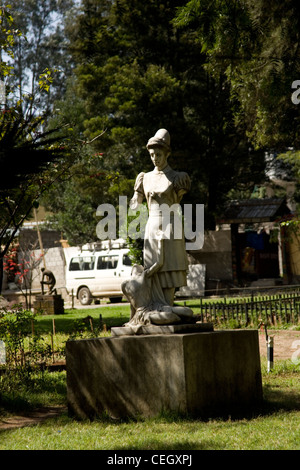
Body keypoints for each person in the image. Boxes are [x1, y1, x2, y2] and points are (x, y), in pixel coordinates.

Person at [130, 128, 191, 307]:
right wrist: (135, 198)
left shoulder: (178, 177)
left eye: (158, 154)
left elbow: (179, 195)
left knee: (169, 267)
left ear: (166, 154)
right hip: (152, 225)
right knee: (152, 269)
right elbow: (136, 201)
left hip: (171, 225)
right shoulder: (144, 178)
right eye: (151, 155)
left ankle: (168, 307)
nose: (155, 158)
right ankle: (155, 307)